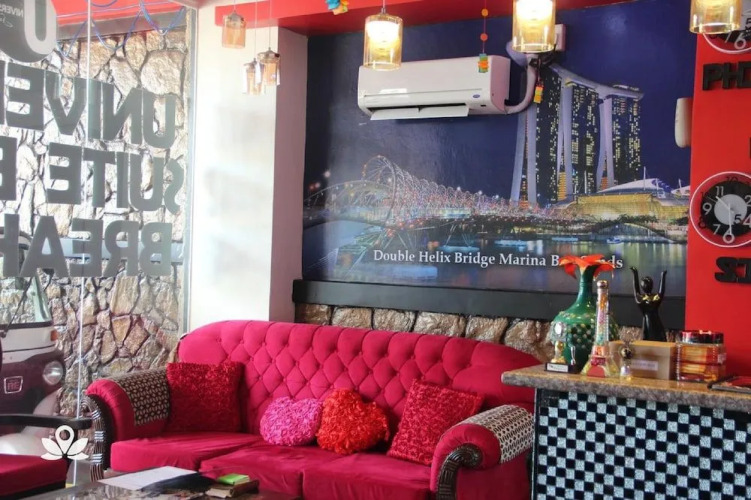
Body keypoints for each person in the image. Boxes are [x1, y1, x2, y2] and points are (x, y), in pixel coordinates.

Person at [630, 267, 667, 342]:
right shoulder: (643, 298)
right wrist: (635, 274)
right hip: (650, 323)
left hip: (654, 324)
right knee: (649, 340)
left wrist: (663, 277)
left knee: (657, 340)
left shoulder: (648, 298)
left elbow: (636, 290)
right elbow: (636, 290)